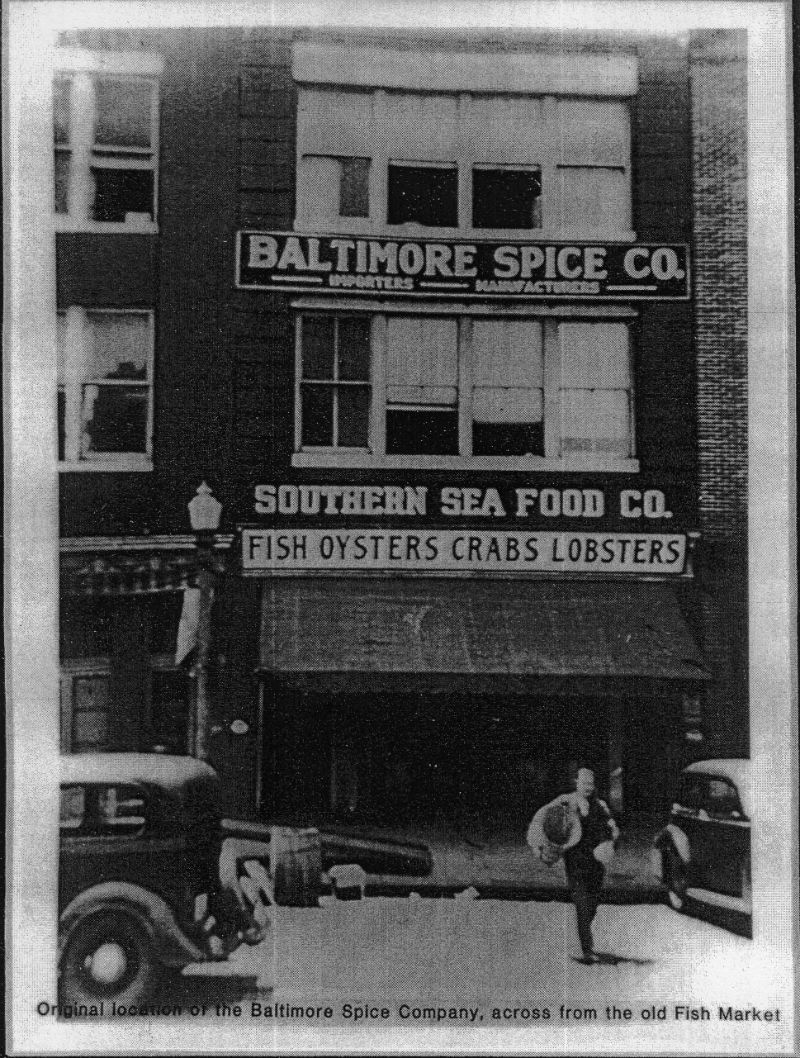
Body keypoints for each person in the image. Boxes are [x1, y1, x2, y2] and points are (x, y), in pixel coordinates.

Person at [527, 766, 620, 963]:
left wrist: (610, 843)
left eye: (591, 783)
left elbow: (612, 828)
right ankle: (587, 949)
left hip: (596, 863)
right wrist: (538, 845)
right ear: (576, 783)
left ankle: (583, 935)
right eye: (584, 783)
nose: (588, 787)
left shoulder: (600, 805)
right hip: (576, 863)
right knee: (582, 905)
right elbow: (541, 819)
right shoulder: (565, 801)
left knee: (593, 904)